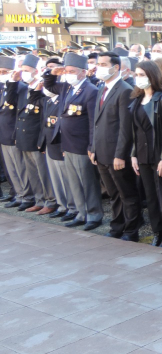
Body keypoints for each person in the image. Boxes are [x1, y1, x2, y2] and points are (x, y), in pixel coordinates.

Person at [43, 53, 103, 230]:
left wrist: (91, 146)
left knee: (87, 183)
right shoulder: (67, 87)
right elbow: (49, 86)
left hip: (81, 145)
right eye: (66, 71)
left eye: (72, 71)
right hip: (67, 143)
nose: (68, 74)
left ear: (83, 72)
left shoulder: (90, 91)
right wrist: (52, 73)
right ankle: (81, 213)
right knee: (74, 182)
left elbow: (93, 122)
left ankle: (94, 215)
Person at [130, 60, 162, 249]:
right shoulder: (137, 99)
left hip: (159, 154)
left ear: (152, 75)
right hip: (143, 155)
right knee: (150, 197)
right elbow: (134, 130)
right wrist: (133, 154)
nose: (138, 78)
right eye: (137, 75)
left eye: (142, 75)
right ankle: (157, 232)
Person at [91, 51, 141, 240]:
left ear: (116, 67)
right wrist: (93, 148)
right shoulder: (102, 88)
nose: (99, 68)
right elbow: (96, 122)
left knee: (127, 193)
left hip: (116, 155)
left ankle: (131, 231)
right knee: (114, 193)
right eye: (99, 64)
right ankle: (117, 227)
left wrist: (120, 155)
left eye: (104, 64)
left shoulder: (124, 90)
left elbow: (125, 127)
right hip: (102, 152)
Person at [9, 55, 57, 214]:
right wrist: (13, 81)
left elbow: (44, 117)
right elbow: (14, 107)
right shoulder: (24, 88)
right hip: (24, 136)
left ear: (36, 71)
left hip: (36, 137)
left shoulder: (42, 88)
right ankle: (39, 199)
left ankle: (50, 201)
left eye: (26, 70)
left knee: (43, 172)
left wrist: (42, 140)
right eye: (22, 70)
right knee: (33, 172)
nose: (23, 73)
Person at [38, 57, 76, 220]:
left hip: (62, 141)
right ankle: (62, 205)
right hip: (50, 141)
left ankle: (72, 207)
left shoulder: (66, 91)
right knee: (56, 178)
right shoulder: (49, 98)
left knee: (66, 178)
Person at [0, 55, 34, 210]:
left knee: (21, 168)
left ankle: (27, 196)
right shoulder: (3, 87)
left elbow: (19, 114)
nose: (2, 74)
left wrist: (16, 134)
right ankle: (18, 194)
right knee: (11, 169)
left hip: (13, 133)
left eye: (5, 72)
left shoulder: (19, 87)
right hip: (3, 134)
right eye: (0, 72)